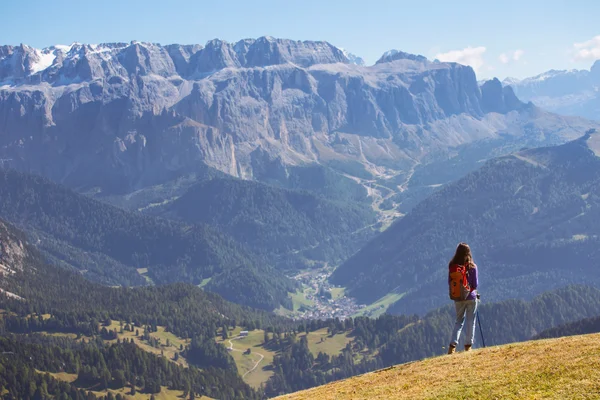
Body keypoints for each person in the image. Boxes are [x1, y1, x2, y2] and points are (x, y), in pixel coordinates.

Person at [447, 242, 478, 354]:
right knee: (471, 321)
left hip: (458, 298)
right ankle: (468, 346)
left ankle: (452, 346)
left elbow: (449, 282)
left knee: (459, 321)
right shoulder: (472, 267)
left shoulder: (452, 267)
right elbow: (475, 285)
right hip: (471, 297)